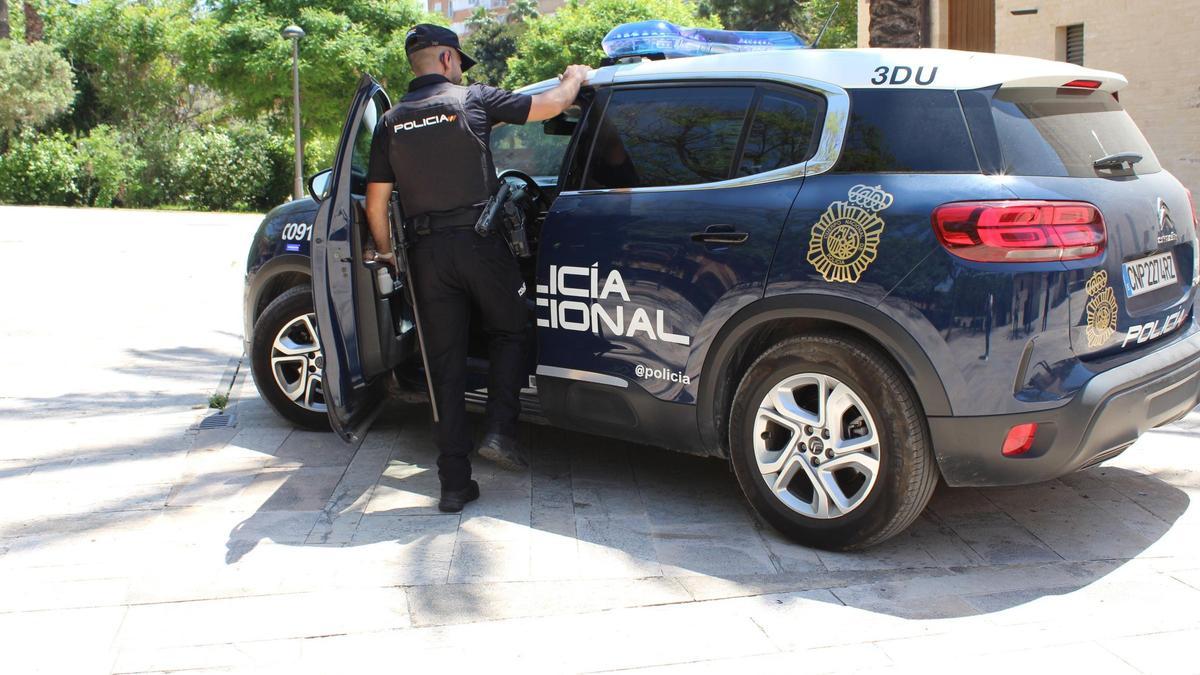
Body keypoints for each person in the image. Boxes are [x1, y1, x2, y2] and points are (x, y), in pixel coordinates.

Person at [364, 23, 588, 513]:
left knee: (443, 364)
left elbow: (375, 203)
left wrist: (386, 253)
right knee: (513, 327)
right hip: (481, 242)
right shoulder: (473, 99)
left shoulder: (392, 121)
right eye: (460, 62)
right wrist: (574, 77)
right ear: (448, 59)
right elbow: (549, 106)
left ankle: (453, 485)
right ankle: (502, 430)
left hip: (425, 254)